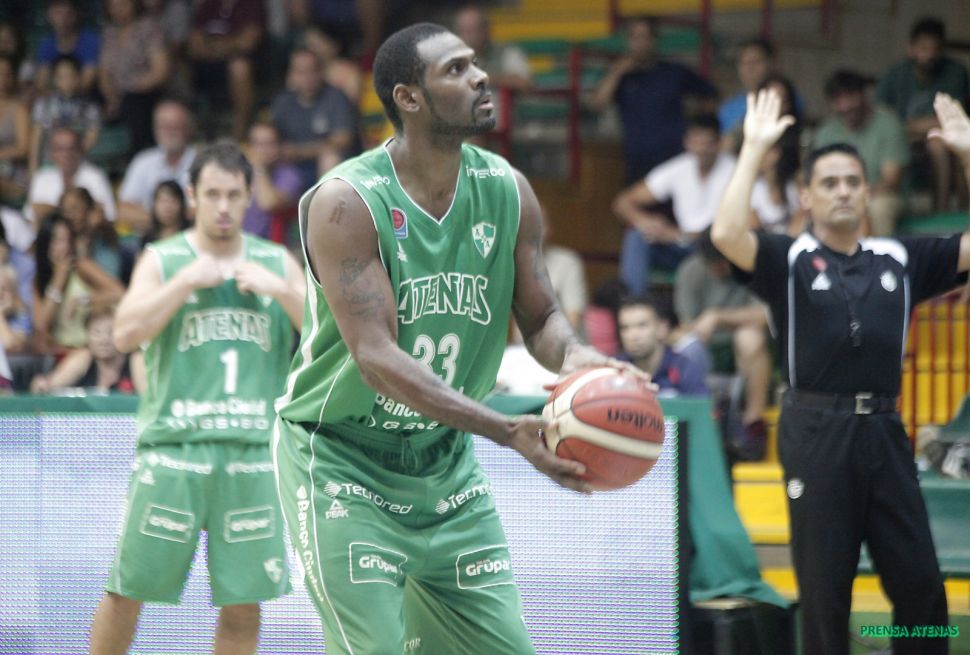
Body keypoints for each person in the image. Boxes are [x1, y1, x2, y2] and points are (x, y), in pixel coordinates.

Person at [273, 23, 636, 654]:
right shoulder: (347, 203)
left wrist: (583, 361)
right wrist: (505, 430)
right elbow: (376, 358)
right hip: (340, 458)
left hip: (444, 461)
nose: (481, 76)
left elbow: (543, 319)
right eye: (456, 69)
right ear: (408, 98)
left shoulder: (508, 191)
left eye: (476, 63)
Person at [711, 88, 970, 655]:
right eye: (829, 183)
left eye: (853, 181)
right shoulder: (788, 259)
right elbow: (726, 235)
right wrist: (752, 150)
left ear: (869, 191)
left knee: (923, 591)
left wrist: (968, 153)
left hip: (885, 431)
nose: (844, 191)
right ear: (806, 197)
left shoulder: (899, 258)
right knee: (826, 595)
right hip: (815, 432)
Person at [88, 142, 306, 654]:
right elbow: (123, 334)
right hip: (173, 451)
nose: (223, 206)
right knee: (126, 591)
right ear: (191, 196)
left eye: (233, 194)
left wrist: (280, 289)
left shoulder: (276, 261)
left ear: (249, 196)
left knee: (244, 605)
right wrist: (186, 279)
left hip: (252, 454)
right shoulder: (163, 259)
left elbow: (328, 336)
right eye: (212, 194)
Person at [672, 230, 771, 459]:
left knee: (749, 337)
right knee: (682, 342)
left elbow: (766, 315)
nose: (719, 268)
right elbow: (686, 324)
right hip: (704, 342)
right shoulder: (691, 269)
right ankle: (697, 421)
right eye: (713, 263)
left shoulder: (754, 266)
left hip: (745, 343)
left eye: (724, 262)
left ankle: (753, 421)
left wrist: (717, 316)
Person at [612, 114, 736, 295]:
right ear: (687, 142)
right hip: (681, 247)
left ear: (719, 143)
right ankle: (633, 302)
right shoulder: (679, 168)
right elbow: (623, 202)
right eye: (696, 142)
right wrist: (646, 222)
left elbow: (737, 226)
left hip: (717, 249)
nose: (701, 149)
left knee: (716, 244)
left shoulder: (735, 170)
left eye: (708, 143)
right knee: (636, 236)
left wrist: (678, 235)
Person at [589, 15, 717, 182]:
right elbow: (597, 104)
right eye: (635, 37)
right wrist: (616, 72)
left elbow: (710, 95)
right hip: (637, 161)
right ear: (628, 41)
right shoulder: (621, 77)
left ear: (654, 39)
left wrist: (697, 126)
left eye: (644, 36)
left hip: (675, 158)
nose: (640, 43)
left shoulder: (674, 72)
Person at [877, 16, 969, 212]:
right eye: (923, 48)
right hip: (901, 136)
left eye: (935, 49)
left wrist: (909, 125)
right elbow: (881, 116)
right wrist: (904, 128)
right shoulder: (896, 73)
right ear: (911, 48)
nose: (930, 54)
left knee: (938, 143)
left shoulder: (955, 72)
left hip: (943, 134)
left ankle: (942, 212)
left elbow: (953, 118)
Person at [815, 70, 909, 237]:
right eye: (838, 99)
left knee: (878, 208)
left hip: (884, 196)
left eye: (850, 97)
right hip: (839, 195)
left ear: (863, 95)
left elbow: (891, 181)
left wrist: (855, 197)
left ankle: (880, 253)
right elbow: (815, 176)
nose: (845, 105)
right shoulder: (826, 132)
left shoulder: (888, 124)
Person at [270, 48, 358, 189]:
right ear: (291, 75)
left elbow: (343, 140)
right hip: (293, 167)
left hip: (334, 167)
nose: (307, 77)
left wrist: (299, 151)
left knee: (329, 157)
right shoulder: (283, 102)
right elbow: (270, 135)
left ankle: (325, 203)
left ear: (321, 72)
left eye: (311, 70)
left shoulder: (336, 97)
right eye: (300, 72)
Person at [97, 0, 171, 157]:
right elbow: (104, 72)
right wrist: (112, 98)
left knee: (133, 102)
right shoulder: (109, 32)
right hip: (117, 95)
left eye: (123, 4)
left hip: (147, 92)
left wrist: (129, 90)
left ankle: (139, 155)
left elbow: (160, 72)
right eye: (114, 6)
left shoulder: (150, 28)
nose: (118, 10)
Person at [187, 0, 265, 140]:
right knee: (179, 66)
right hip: (206, 67)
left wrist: (212, 45)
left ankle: (240, 133)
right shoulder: (208, 5)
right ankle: (189, 131)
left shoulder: (252, 4)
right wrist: (231, 45)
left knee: (239, 66)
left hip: (240, 65)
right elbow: (194, 46)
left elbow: (247, 42)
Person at [116, 98, 196, 235]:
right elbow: (124, 211)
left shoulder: (202, 163)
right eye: (164, 126)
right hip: (148, 241)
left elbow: (204, 212)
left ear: (188, 129)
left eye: (175, 126)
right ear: (154, 129)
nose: (169, 132)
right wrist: (167, 220)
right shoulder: (142, 161)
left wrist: (155, 219)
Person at [30, 302, 136, 394]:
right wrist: (43, 385)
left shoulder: (135, 359)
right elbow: (50, 386)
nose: (104, 340)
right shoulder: (83, 358)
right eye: (97, 332)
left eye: (110, 332)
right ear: (87, 336)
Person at [617, 294, 706, 395]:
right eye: (625, 328)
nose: (632, 336)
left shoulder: (685, 368)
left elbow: (701, 404)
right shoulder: (614, 370)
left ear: (662, 328)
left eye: (642, 326)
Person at [26, 126, 115, 227]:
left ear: (81, 149)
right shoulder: (42, 177)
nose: (66, 154)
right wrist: (78, 210)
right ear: (51, 153)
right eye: (60, 149)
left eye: (71, 148)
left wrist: (51, 210)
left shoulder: (95, 177)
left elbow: (106, 216)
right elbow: (32, 214)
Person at [29, 54, 101, 175]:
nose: (66, 80)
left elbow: (92, 137)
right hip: (48, 163)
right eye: (61, 76)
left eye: (70, 76)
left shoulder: (90, 106)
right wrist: (33, 170)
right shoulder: (43, 104)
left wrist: (70, 156)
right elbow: (36, 139)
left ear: (79, 77)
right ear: (54, 79)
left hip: (78, 163)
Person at [243, 121, 303, 242]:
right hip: (235, 243)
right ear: (248, 148)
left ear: (280, 146)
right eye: (258, 144)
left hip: (269, 247)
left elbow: (268, 204)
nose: (264, 150)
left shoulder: (290, 175)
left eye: (270, 144)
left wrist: (260, 168)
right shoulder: (238, 173)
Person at [34, 0, 100, 95]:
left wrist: (66, 94)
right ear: (49, 15)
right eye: (58, 14)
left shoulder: (90, 41)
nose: (63, 19)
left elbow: (86, 83)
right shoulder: (46, 45)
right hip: (54, 98)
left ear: (76, 15)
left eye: (68, 14)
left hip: (86, 97)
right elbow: (41, 83)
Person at [0, 54, 29, 207]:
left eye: (7, 74)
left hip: (11, 170)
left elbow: (23, 149)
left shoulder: (19, 109)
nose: (2, 78)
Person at [140, 179, 190, 248]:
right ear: (154, 204)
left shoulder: (191, 236)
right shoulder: (147, 239)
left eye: (172, 201)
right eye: (163, 201)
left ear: (181, 204)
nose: (167, 207)